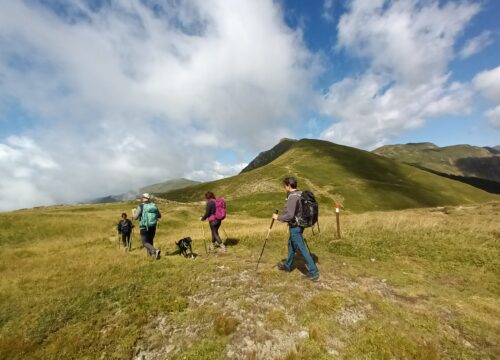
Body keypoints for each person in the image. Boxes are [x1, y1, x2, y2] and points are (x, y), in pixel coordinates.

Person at [273, 177, 319, 282]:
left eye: (285, 186)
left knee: (301, 249)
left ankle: (314, 272)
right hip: (301, 224)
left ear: (289, 186)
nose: (284, 188)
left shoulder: (292, 197)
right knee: (291, 245)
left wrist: (278, 217)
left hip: (295, 227)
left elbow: (289, 215)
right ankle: (288, 266)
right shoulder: (300, 193)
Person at [133, 193, 161, 259]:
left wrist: (133, 212)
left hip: (144, 227)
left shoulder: (141, 206)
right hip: (153, 226)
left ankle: (155, 251)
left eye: (142, 197)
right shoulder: (154, 205)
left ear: (144, 198)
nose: (142, 198)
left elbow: (135, 218)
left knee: (145, 242)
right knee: (150, 241)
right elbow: (159, 216)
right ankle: (151, 257)